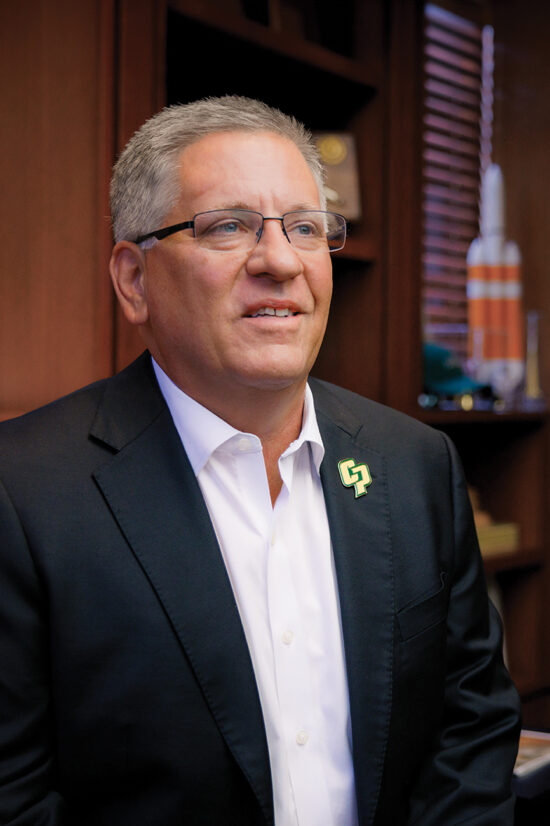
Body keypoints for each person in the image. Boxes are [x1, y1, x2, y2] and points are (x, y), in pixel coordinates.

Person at [0, 95, 520, 825]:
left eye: (306, 227)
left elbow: (471, 729)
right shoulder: (23, 493)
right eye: (228, 227)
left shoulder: (415, 464)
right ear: (134, 280)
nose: (279, 260)